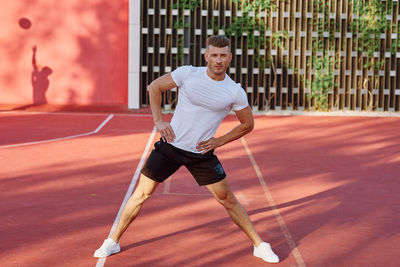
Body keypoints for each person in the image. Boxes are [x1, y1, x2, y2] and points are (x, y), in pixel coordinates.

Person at [94, 35, 279, 263]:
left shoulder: (234, 91)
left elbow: (248, 124)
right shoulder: (188, 73)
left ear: (230, 57)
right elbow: (154, 87)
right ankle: (112, 241)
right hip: (170, 147)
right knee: (141, 194)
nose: (218, 60)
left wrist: (220, 141)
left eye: (223, 55)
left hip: (201, 154)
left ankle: (260, 245)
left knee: (227, 199)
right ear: (206, 56)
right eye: (214, 55)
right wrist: (159, 120)